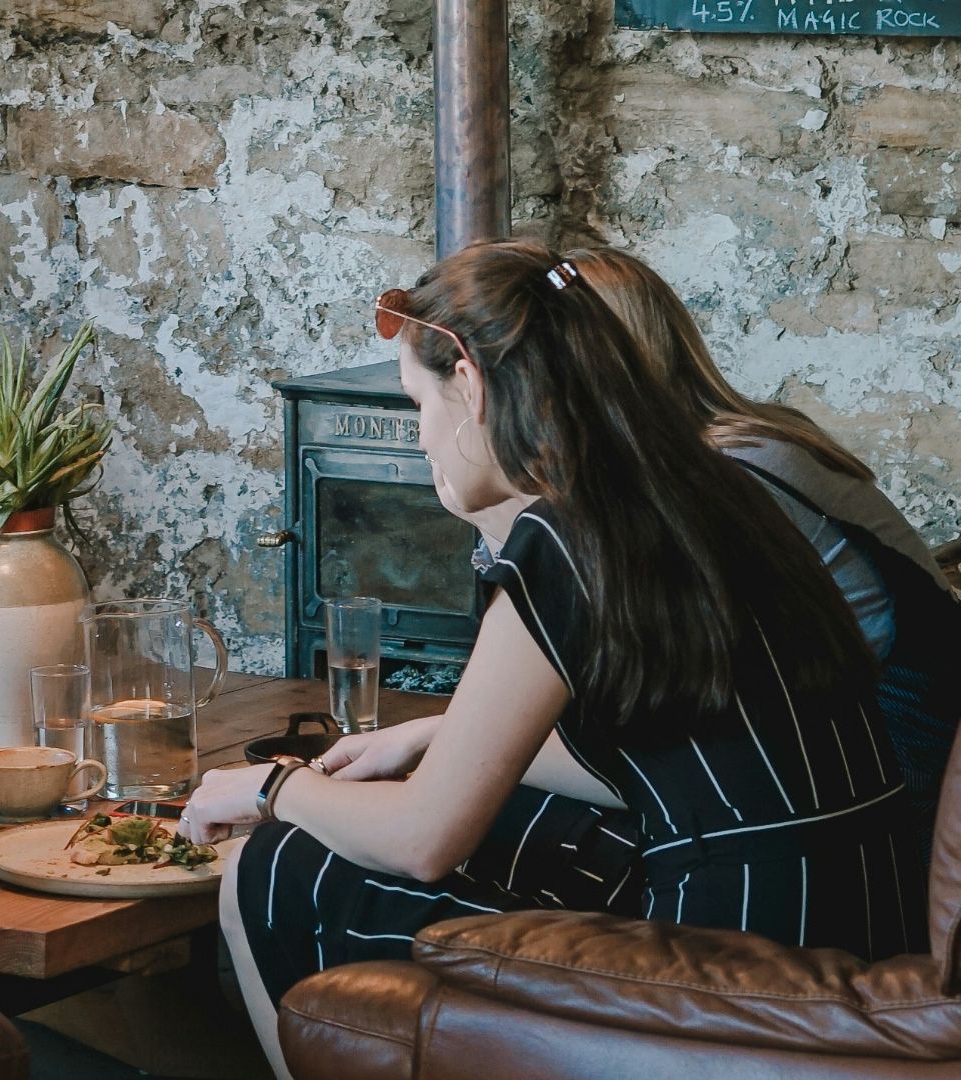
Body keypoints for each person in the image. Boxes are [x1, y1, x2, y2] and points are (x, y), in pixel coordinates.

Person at [182, 240, 926, 1079]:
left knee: (276, 866)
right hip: (866, 918)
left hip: (742, 965)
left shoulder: (568, 537)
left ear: (469, 380)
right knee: (497, 815)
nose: (420, 438)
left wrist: (277, 788)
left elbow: (425, 839)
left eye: (416, 404)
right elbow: (678, 759)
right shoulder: (713, 486)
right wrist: (430, 741)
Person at [568, 245, 961, 864]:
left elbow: (655, 673)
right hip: (852, 729)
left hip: (889, 755)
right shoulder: (736, 439)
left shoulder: (731, 468)